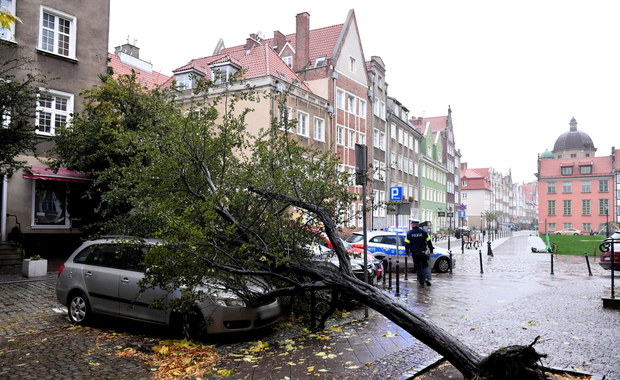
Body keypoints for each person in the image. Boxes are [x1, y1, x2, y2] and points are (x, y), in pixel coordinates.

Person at [405, 219, 434, 288]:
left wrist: (407, 252)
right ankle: (426, 278)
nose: (411, 225)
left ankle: (421, 282)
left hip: (415, 253)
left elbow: (407, 244)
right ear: (418, 225)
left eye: (412, 224)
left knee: (418, 267)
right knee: (425, 266)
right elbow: (429, 242)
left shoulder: (409, 233)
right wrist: (431, 250)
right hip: (423, 253)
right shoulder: (424, 232)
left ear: (414, 225)